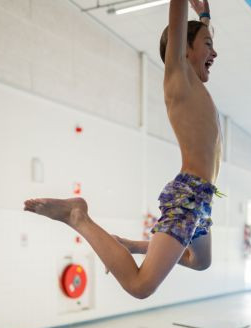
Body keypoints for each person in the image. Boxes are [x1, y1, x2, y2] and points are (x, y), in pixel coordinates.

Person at [24, 0, 222, 299]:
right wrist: (193, 17)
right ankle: (78, 215)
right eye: (207, 44)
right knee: (140, 286)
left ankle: (132, 245)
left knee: (201, 262)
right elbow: (178, 14)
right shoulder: (178, 78)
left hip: (203, 198)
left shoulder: (195, 85)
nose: (215, 52)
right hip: (189, 194)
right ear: (184, 50)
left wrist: (205, 17)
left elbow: (199, 38)